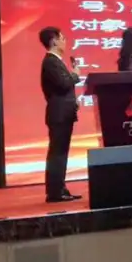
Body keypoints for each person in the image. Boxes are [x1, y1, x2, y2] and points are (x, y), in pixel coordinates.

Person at [38, 26, 81, 203]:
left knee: (61, 153)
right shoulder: (51, 62)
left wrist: (73, 102)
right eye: (62, 38)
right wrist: (75, 75)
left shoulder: (56, 61)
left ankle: (60, 188)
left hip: (63, 113)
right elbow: (63, 84)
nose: (65, 41)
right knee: (58, 153)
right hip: (59, 115)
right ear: (54, 41)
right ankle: (55, 192)